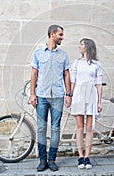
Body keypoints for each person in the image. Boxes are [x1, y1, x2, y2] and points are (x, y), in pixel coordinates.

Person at [30, 24, 72, 172]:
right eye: (60, 34)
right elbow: (34, 74)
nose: (62, 37)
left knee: (55, 128)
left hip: (58, 97)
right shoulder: (38, 53)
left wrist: (68, 94)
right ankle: (42, 160)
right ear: (52, 34)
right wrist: (32, 94)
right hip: (41, 96)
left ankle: (52, 159)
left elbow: (66, 75)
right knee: (41, 128)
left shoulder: (64, 55)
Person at [70, 38, 103, 169]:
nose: (80, 46)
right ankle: (80, 156)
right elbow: (73, 82)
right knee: (79, 127)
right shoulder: (76, 63)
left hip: (91, 94)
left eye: (82, 44)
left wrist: (99, 102)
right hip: (78, 94)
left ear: (88, 47)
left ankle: (87, 156)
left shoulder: (96, 64)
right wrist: (69, 96)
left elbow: (99, 84)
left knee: (89, 128)